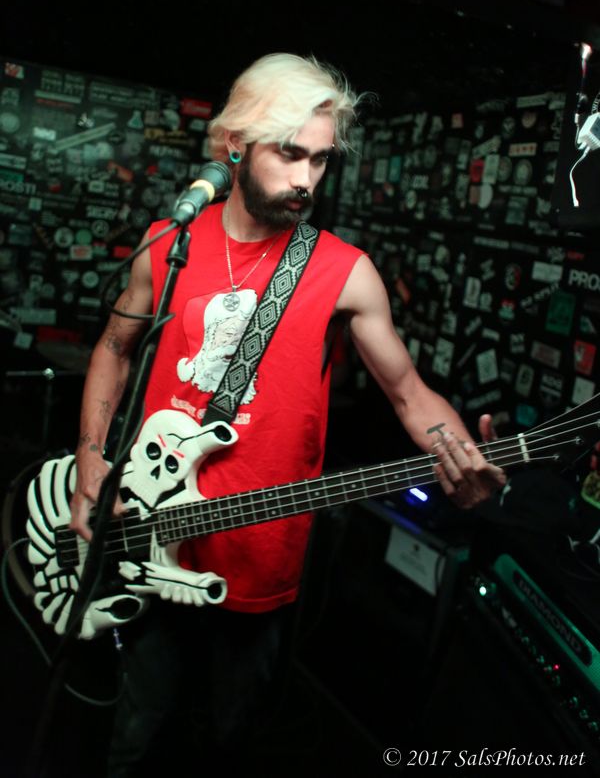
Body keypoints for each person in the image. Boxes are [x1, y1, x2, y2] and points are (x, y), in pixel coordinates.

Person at [69, 52, 505, 775]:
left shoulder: (344, 270)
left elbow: (409, 391)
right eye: (289, 154)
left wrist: (461, 454)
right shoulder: (169, 243)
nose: (306, 179)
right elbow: (115, 349)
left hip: (260, 551)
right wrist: (91, 459)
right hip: (148, 529)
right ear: (235, 143)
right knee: (137, 732)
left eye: (321, 160)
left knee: (229, 739)